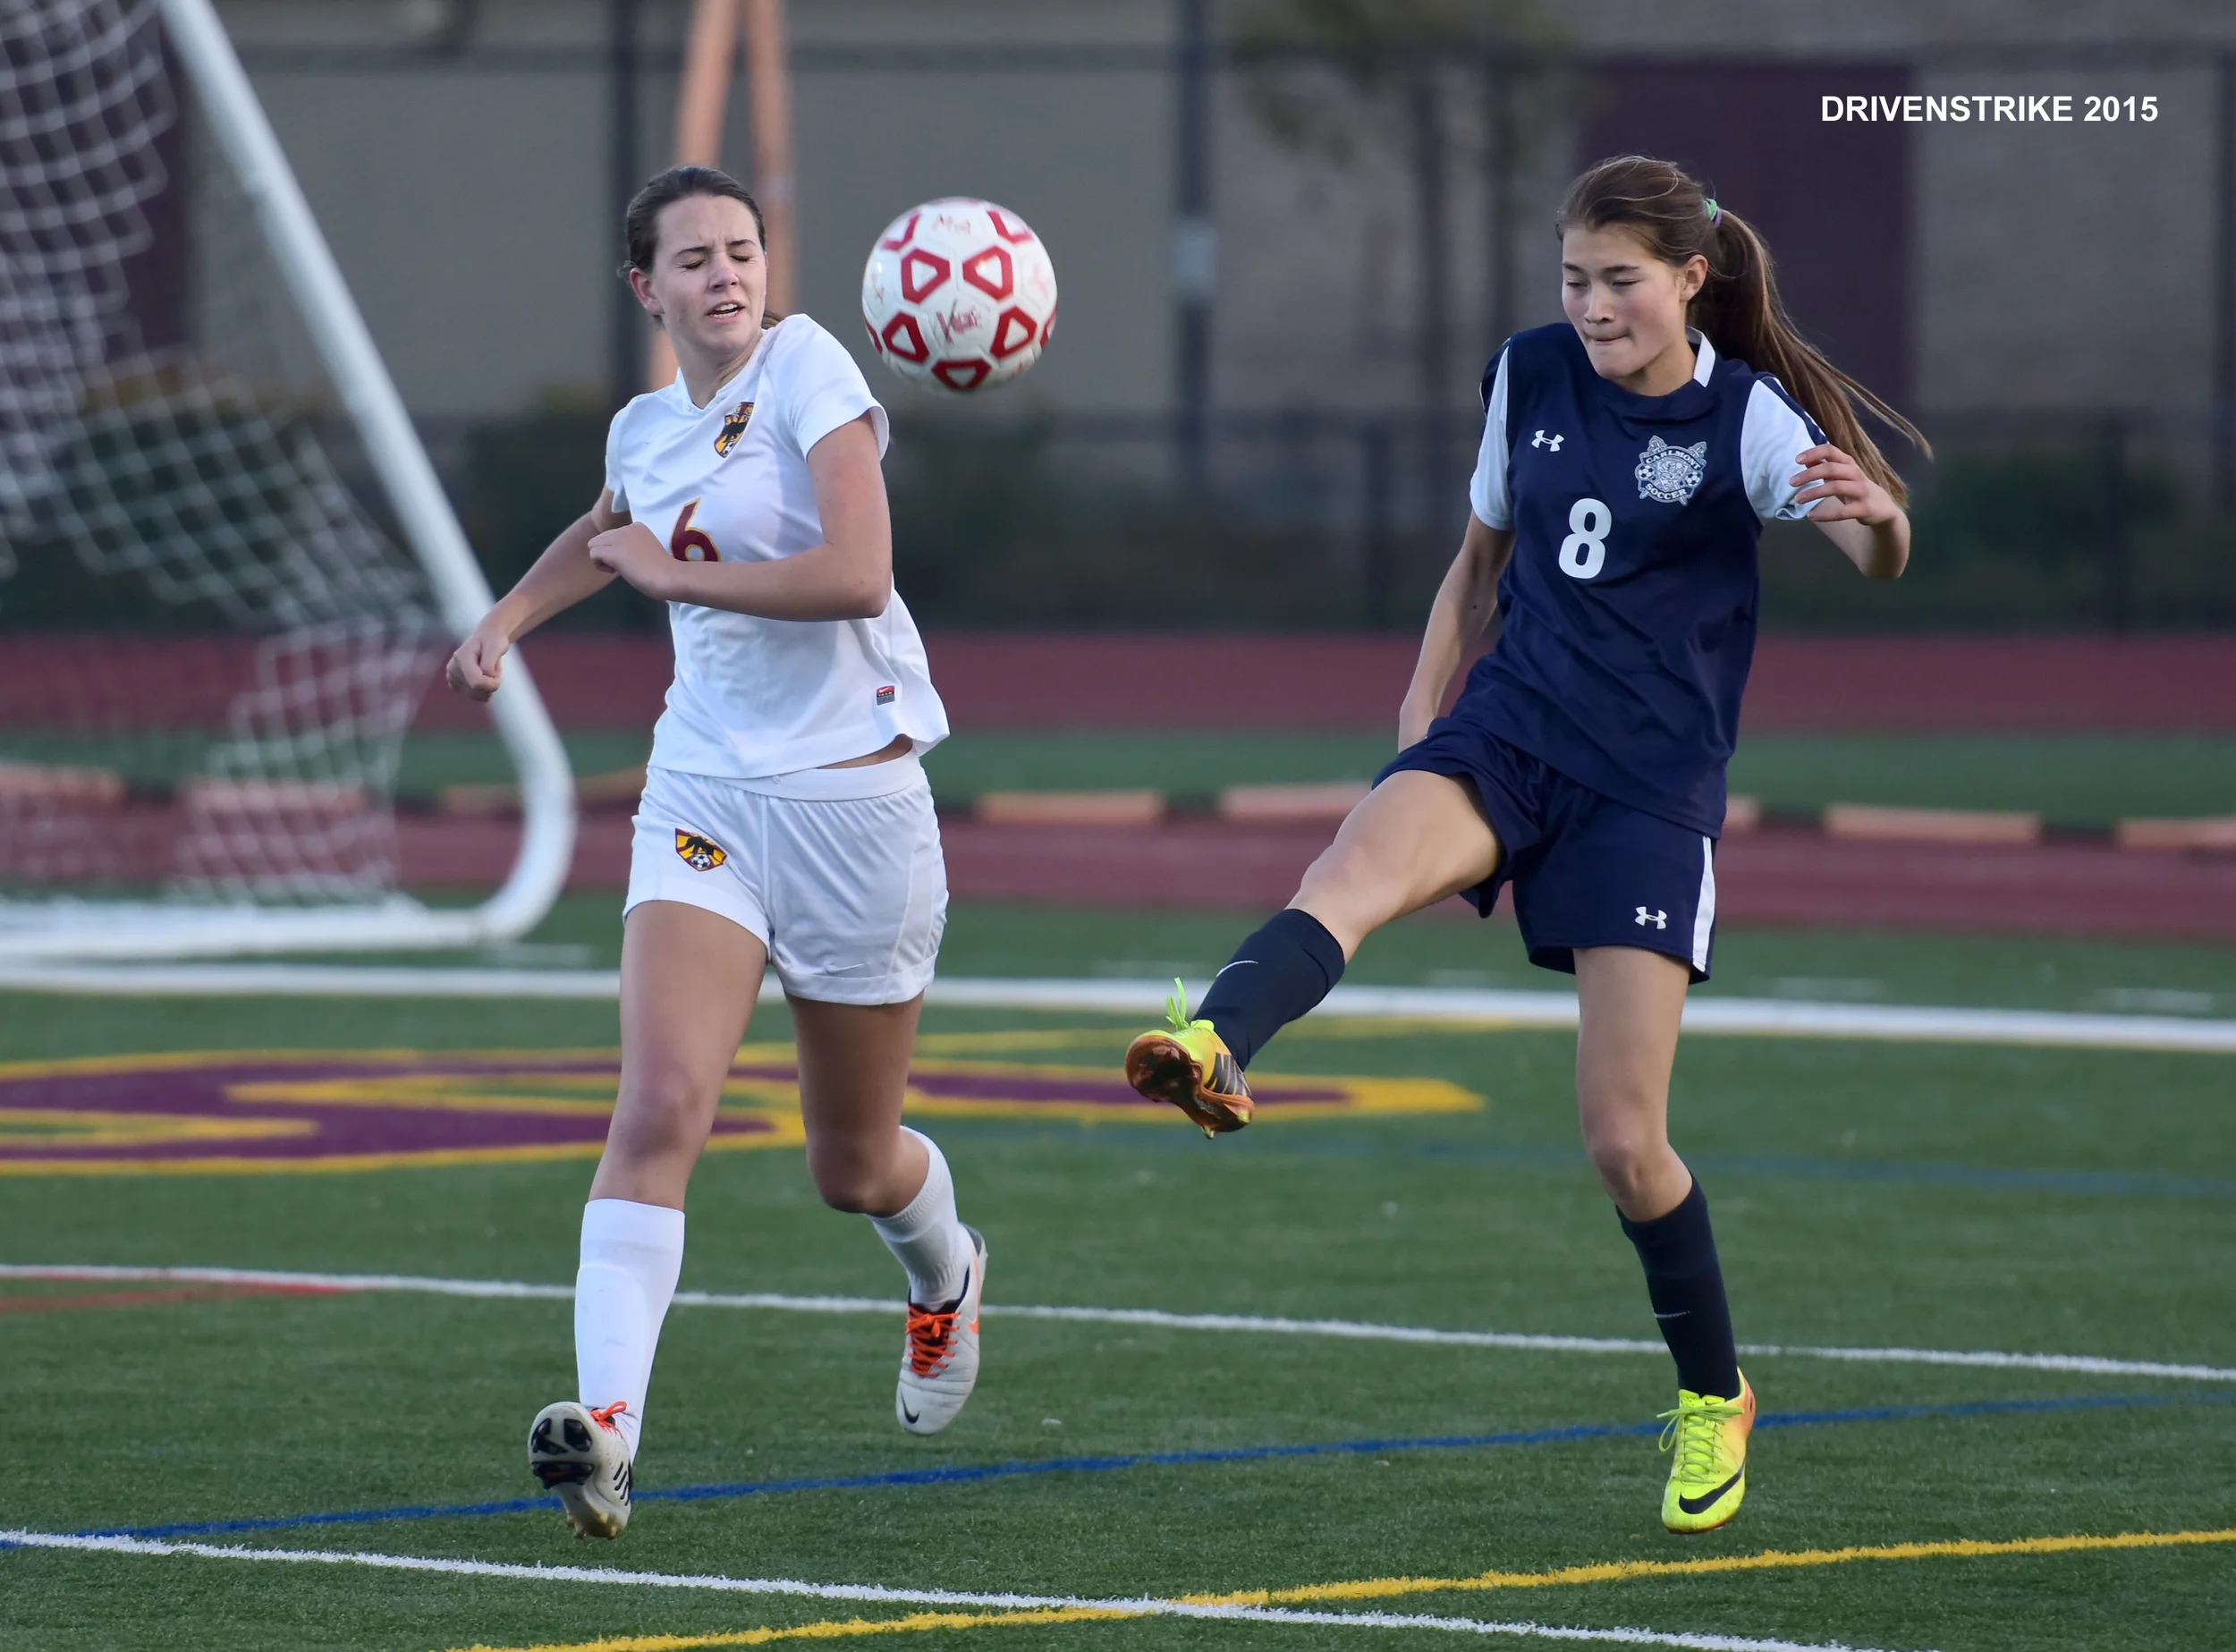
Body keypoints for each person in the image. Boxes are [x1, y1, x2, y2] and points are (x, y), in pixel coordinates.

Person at [1124, 154, 1925, 1534]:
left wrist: (1884, 522)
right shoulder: (1528, 374)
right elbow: (1479, 558)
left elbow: (1873, 553)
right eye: (1573, 277)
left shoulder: (1742, 417)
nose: (1593, 304)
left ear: (1691, 280)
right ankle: (1216, 1045)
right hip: (1509, 731)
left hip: (1647, 793)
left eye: (1621, 280)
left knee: (1624, 1141)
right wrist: (1421, 698)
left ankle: (1712, 1391)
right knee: (1348, 875)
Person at [446, 165, 983, 1541]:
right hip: (705, 796)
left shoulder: (812, 369)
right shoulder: (647, 425)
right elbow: (608, 523)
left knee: (851, 1164)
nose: (726, 274)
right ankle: (607, 1431)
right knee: (660, 1102)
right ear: (647, 288)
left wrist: (677, 576)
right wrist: (513, 614)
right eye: (693, 260)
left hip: (856, 809)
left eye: (742, 250)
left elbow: (857, 573)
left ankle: (945, 1279)